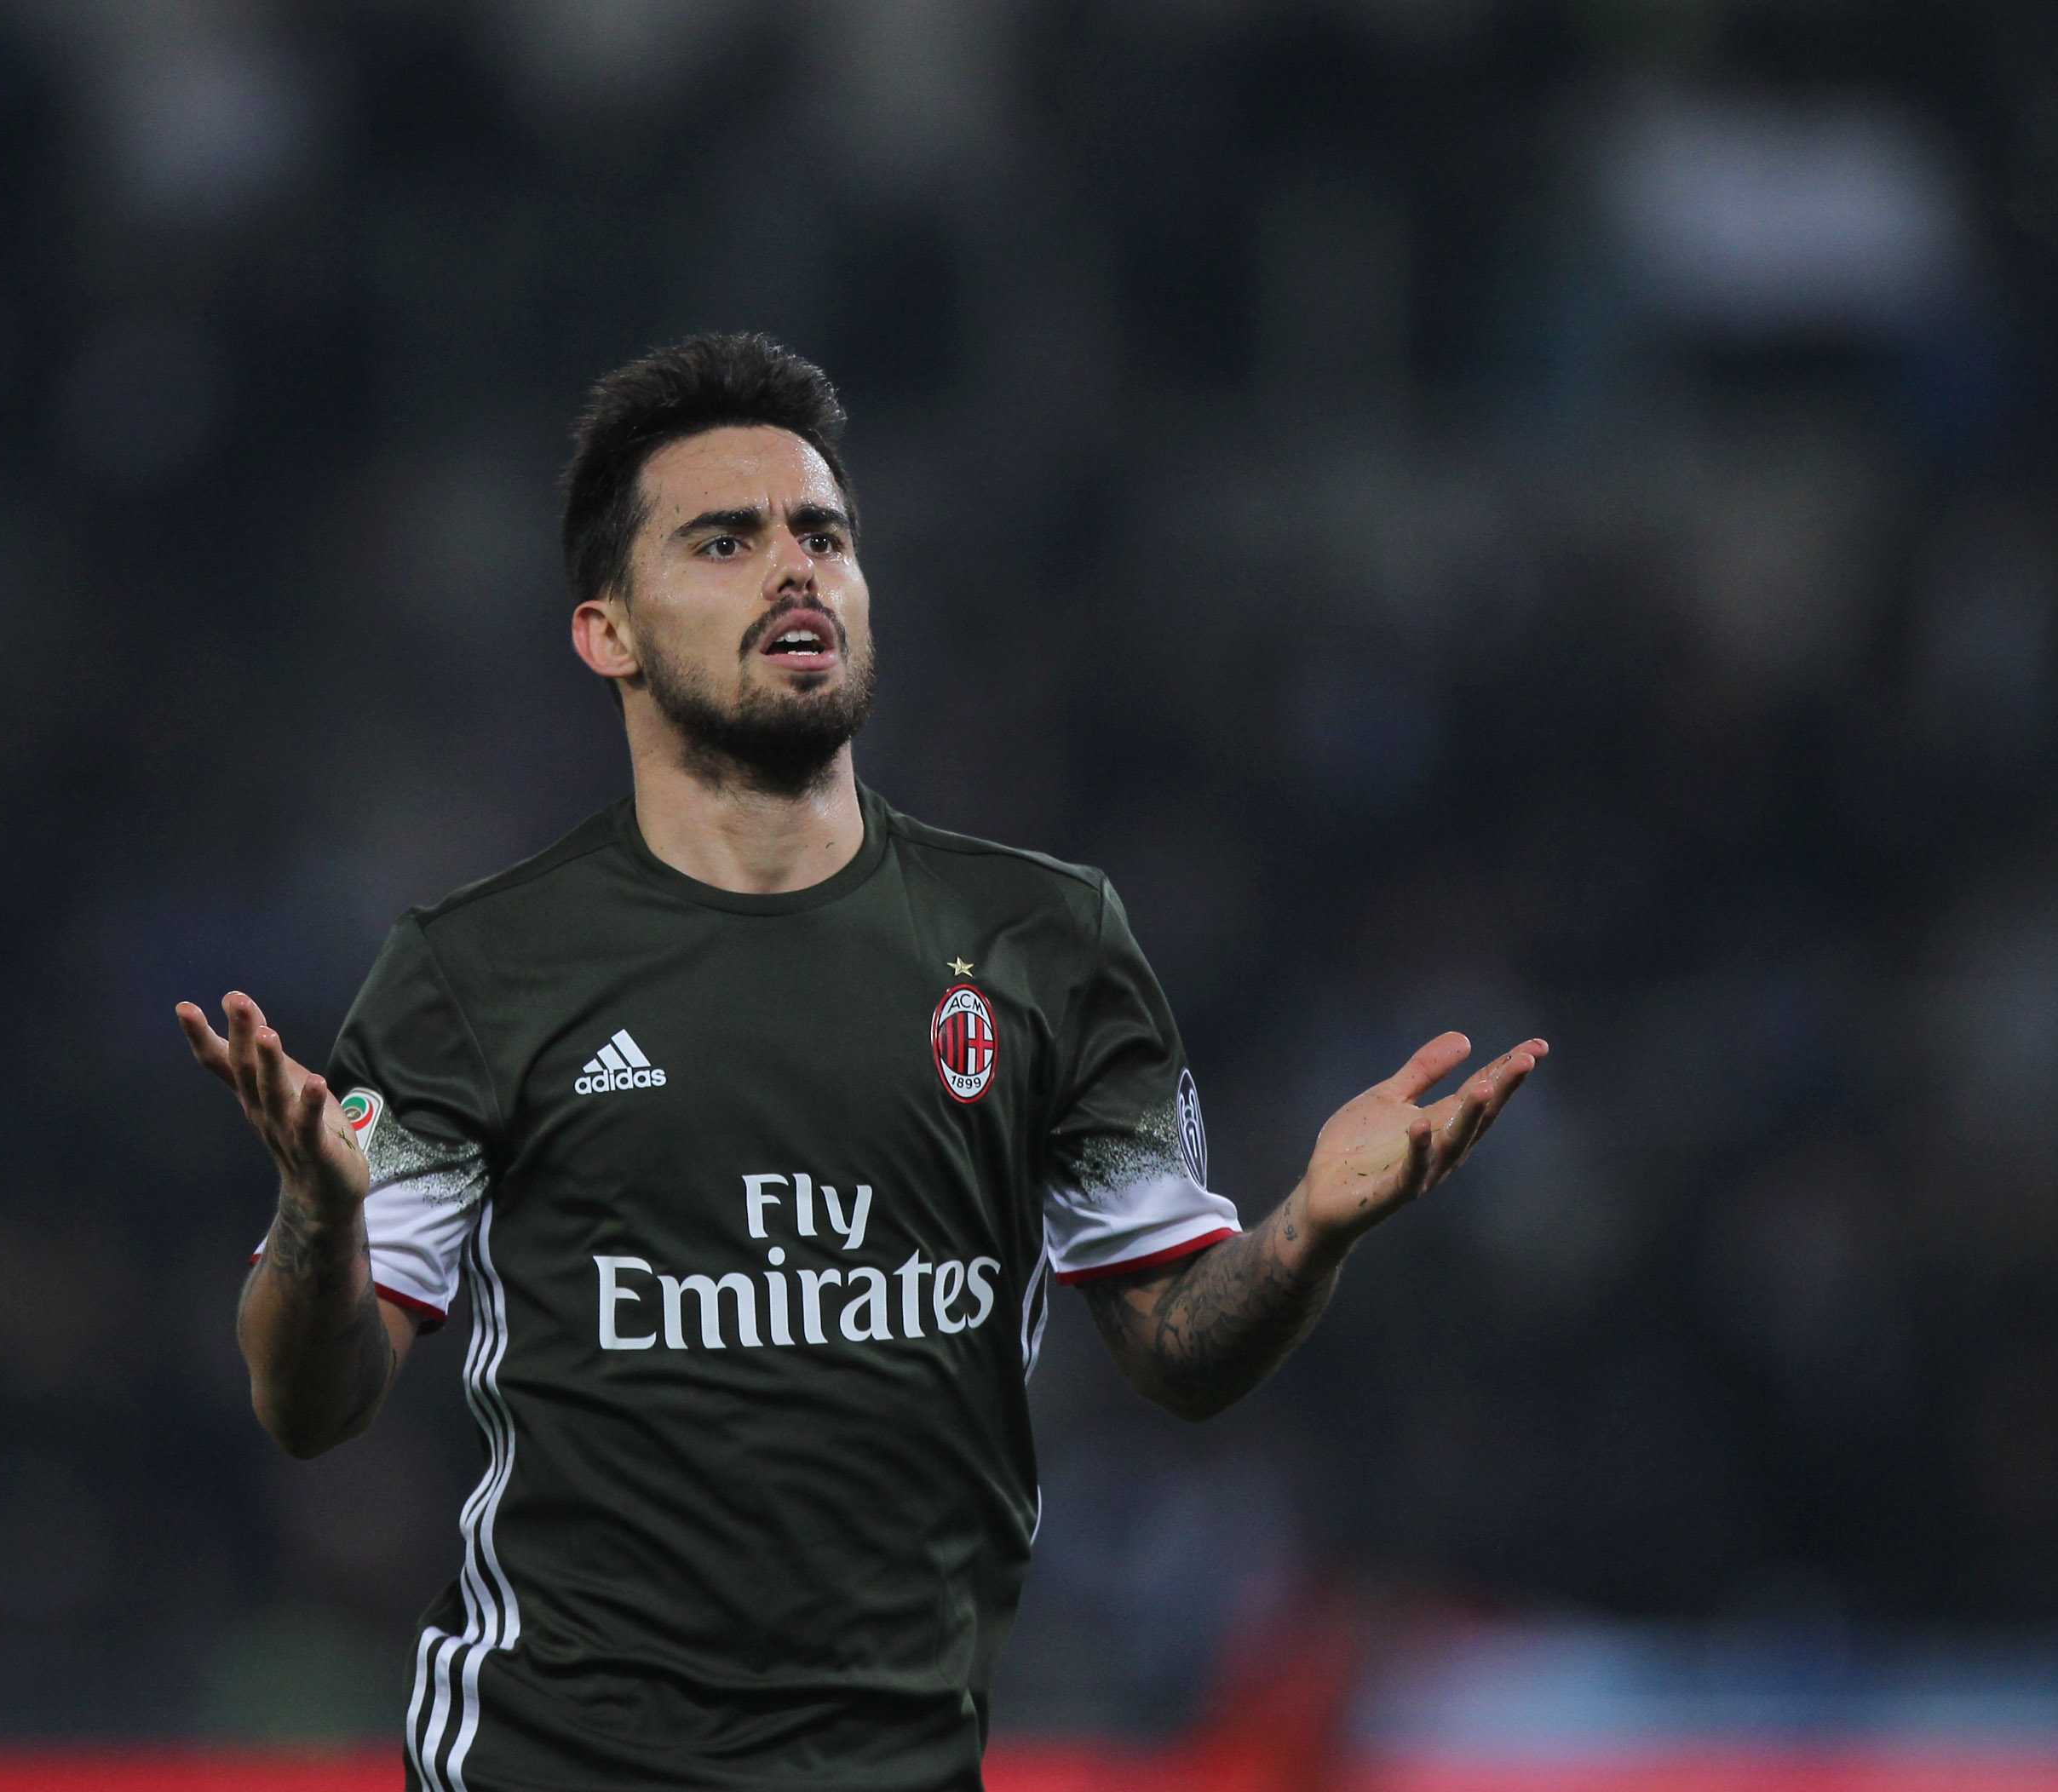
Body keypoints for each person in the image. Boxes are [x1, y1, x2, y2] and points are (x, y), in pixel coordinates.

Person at [176, 332, 1546, 1792]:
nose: (795, 569)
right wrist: (320, 1219)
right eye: (724, 538)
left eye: (821, 533)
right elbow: (310, 1404)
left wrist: (1311, 1232)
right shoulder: (478, 970)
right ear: (609, 633)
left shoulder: (1046, 939)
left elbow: (1176, 1349)